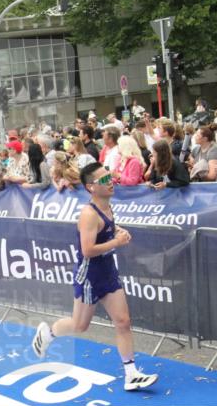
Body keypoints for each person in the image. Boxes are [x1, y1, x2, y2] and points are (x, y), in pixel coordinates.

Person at [31, 162, 159, 392]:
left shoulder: (107, 206)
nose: (110, 182)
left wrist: (116, 230)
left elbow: (106, 227)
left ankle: (131, 374)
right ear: (91, 187)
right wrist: (116, 242)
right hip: (89, 274)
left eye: (109, 177)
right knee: (80, 325)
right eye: (103, 180)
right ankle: (47, 333)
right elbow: (88, 249)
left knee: (123, 321)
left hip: (108, 269)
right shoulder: (88, 214)